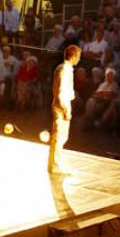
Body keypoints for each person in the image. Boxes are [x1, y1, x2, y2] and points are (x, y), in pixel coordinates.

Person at [48, 44, 81, 174]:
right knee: (58, 136)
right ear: (73, 56)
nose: (78, 59)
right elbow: (60, 91)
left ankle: (57, 163)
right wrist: (65, 109)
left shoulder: (65, 69)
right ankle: (54, 165)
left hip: (64, 104)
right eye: (77, 56)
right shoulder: (64, 70)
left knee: (61, 136)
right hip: (61, 106)